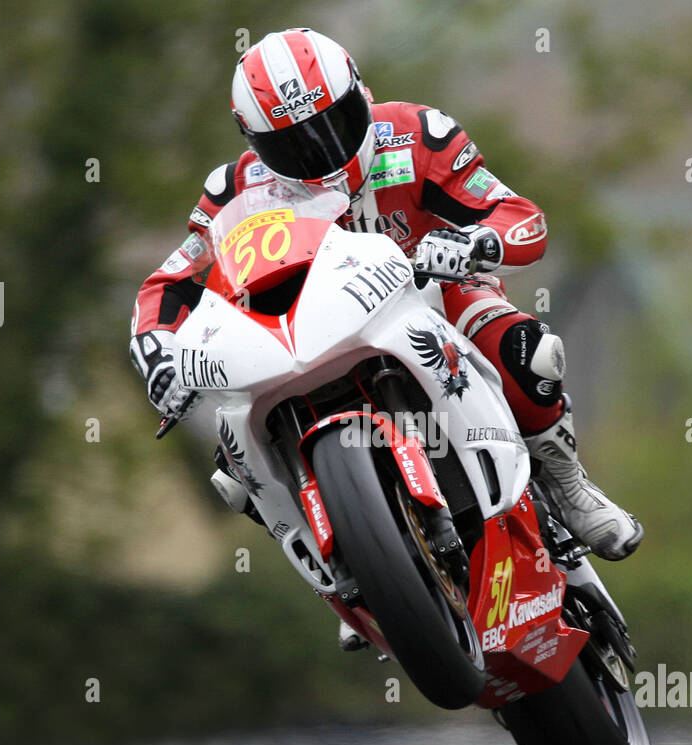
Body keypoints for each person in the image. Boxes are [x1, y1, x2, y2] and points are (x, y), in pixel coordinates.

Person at [129, 27, 642, 566]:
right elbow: (169, 285)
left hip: (426, 293)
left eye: (334, 124)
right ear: (255, 143)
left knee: (524, 348)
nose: (320, 152)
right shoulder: (234, 191)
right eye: (294, 144)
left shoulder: (417, 133)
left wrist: (474, 242)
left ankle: (569, 485)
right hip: (296, 332)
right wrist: (156, 350)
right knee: (232, 461)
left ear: (360, 93)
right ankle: (343, 564)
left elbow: (522, 218)